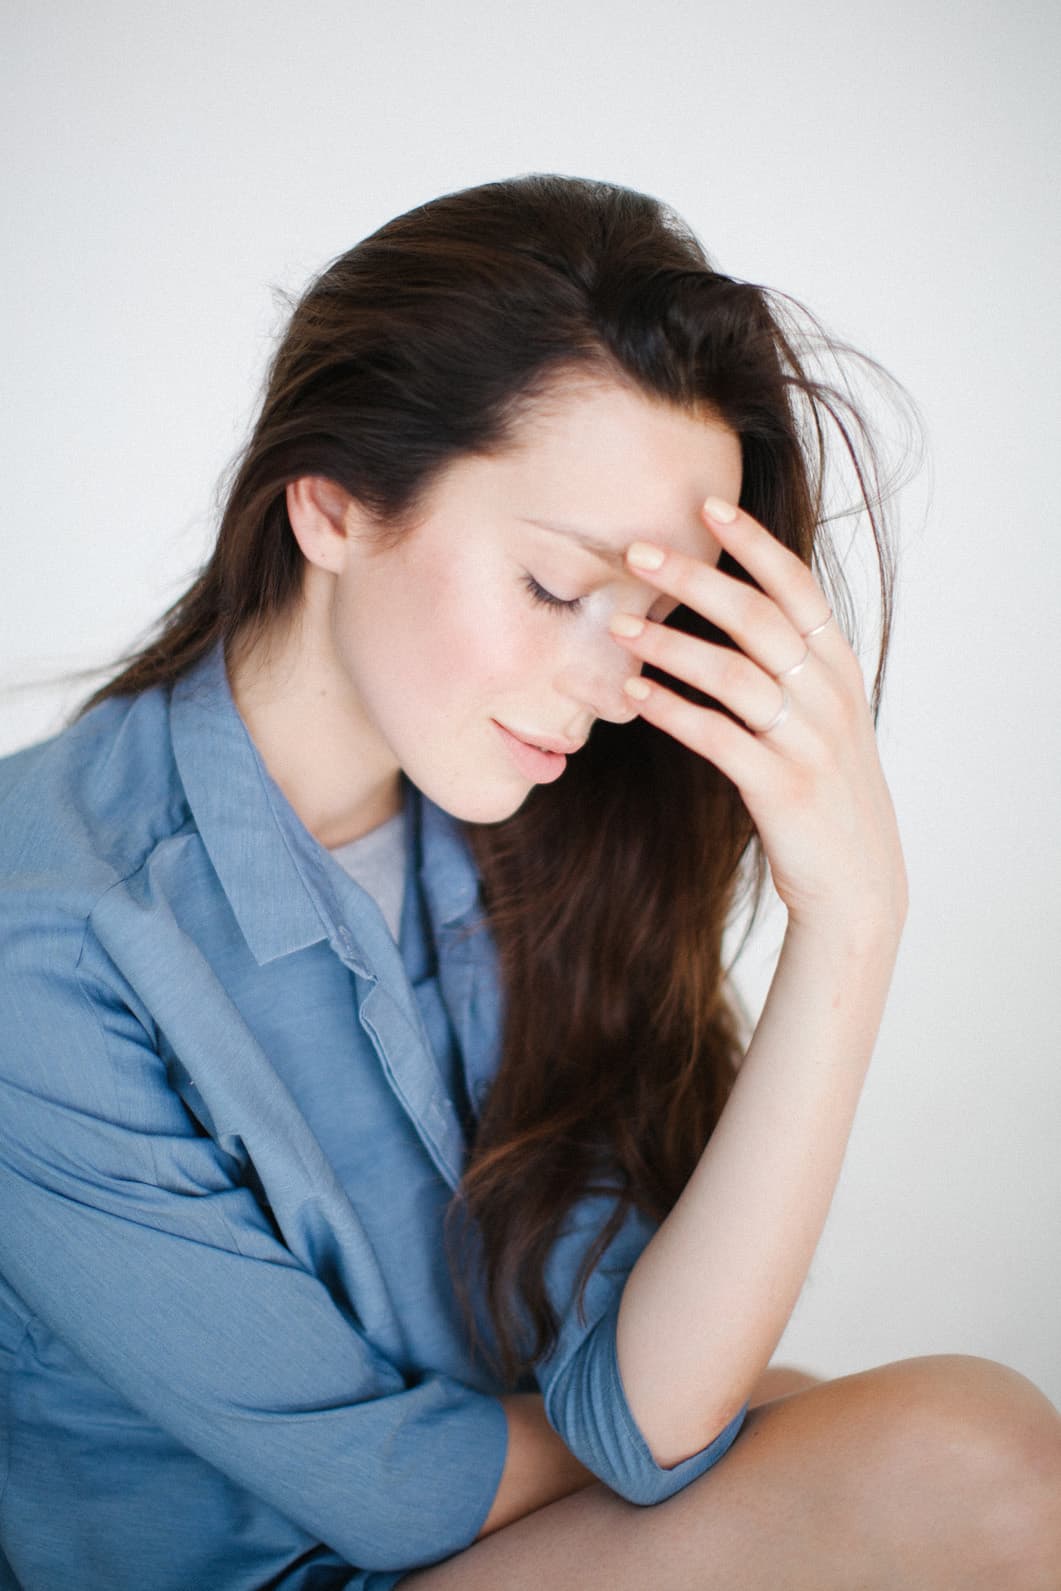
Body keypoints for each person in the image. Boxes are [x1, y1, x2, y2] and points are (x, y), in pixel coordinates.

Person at [0, 174, 1057, 1591]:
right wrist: (765, 1415)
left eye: (660, 618)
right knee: (967, 1462)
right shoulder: (47, 935)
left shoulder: (513, 837)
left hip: (499, 1542)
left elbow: (644, 1416)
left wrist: (851, 924)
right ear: (329, 507)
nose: (610, 681)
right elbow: (387, 1492)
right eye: (558, 591)